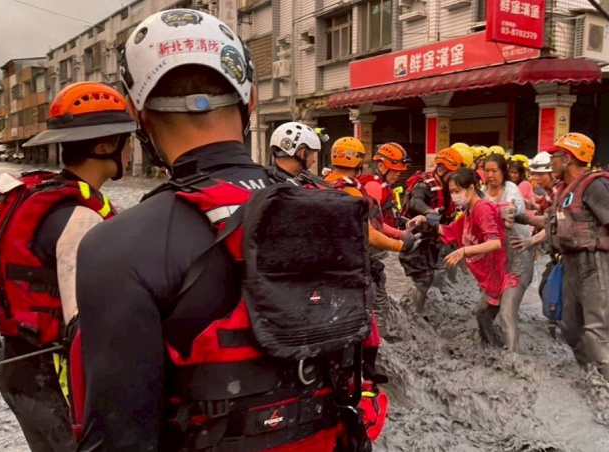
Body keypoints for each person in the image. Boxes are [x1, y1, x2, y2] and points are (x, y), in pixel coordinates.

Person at [74, 11, 385, 451]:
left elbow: (117, 438)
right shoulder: (332, 211)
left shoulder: (116, 246)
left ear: (134, 112)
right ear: (252, 99)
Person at [0, 81, 134, 452]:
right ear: (105, 145)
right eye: (126, 140)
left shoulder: (45, 195)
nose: (130, 151)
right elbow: (87, 329)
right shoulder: (79, 219)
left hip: (18, 365)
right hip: (53, 376)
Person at [514, 133, 609, 391]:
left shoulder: (596, 186)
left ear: (568, 158)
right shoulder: (565, 191)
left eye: (555, 157)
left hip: (598, 266)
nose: (550, 163)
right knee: (570, 329)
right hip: (572, 266)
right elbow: (552, 224)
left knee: (599, 337)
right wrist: (520, 218)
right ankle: (592, 377)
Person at [326, 137, 422, 308]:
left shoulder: (325, 183)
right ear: (382, 165)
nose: (397, 175)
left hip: (332, 256)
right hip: (352, 255)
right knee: (376, 295)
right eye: (395, 170)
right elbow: (370, 230)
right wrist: (400, 241)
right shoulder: (364, 188)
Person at [437, 168, 516, 348]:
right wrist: (424, 222)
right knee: (485, 316)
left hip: (503, 274)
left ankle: (504, 357)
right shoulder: (468, 214)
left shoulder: (481, 209)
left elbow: (494, 242)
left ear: (471, 189)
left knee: (490, 316)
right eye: (451, 192)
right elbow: (448, 231)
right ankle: (495, 351)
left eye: (457, 191)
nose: (454, 196)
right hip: (491, 276)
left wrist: (464, 251)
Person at [400, 147, 462, 313]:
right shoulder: (423, 185)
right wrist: (428, 212)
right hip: (416, 238)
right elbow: (416, 202)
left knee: (435, 273)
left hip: (434, 238)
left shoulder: (449, 188)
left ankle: (423, 309)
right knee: (423, 278)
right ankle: (414, 313)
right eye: (452, 173)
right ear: (440, 169)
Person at [481, 153, 533, 353]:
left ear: (504, 172)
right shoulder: (482, 193)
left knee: (506, 314)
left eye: (495, 170)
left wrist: (508, 212)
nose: (490, 175)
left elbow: (512, 207)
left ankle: (514, 362)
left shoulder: (510, 189)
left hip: (518, 259)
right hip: (496, 263)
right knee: (482, 313)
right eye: (487, 170)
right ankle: (490, 351)